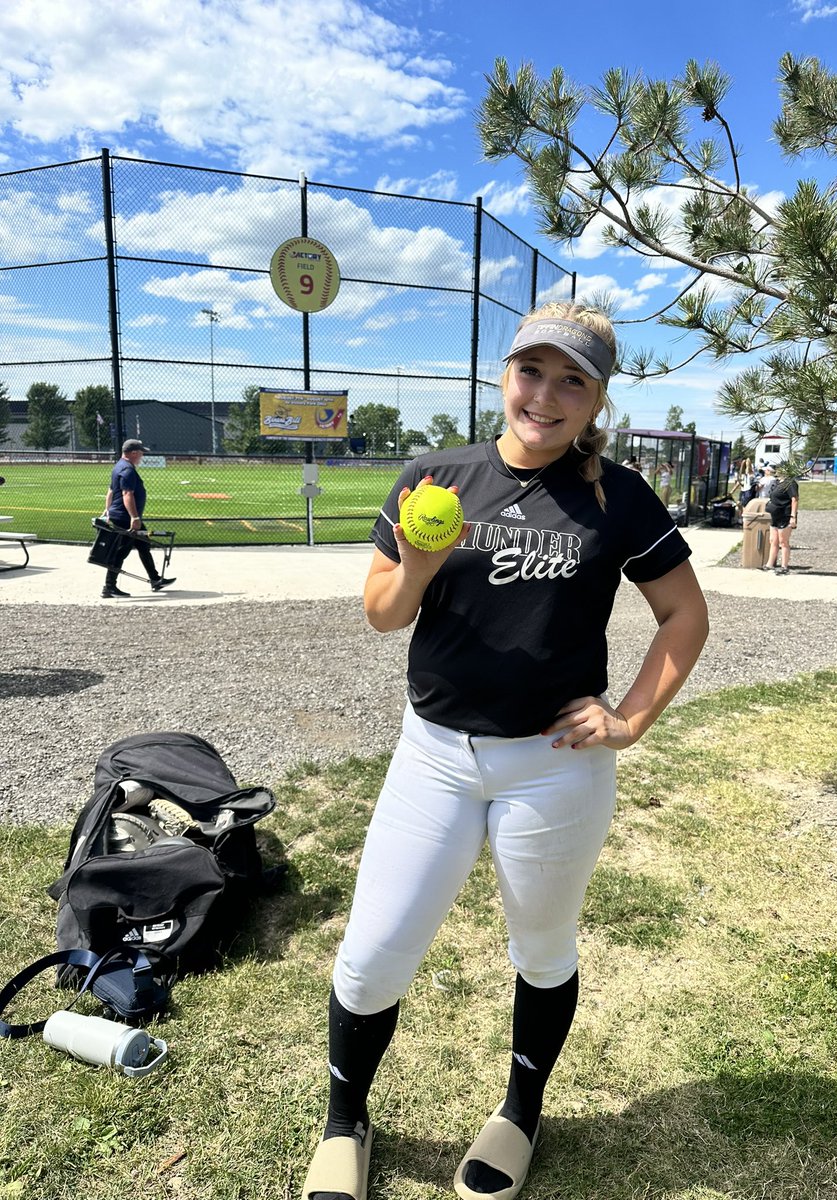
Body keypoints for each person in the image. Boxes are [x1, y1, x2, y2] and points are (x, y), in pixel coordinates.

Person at [299, 302, 709, 1200]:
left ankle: (518, 1115)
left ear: (598, 398)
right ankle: (345, 1123)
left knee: (543, 948)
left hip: (555, 766)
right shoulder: (435, 475)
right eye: (534, 370)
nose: (547, 395)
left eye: (574, 380)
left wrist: (631, 718)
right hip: (435, 756)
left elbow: (684, 615)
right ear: (504, 374)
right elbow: (382, 613)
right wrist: (413, 560)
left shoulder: (618, 495)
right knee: (373, 954)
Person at [100, 439, 176, 598]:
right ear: (133, 453)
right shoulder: (127, 470)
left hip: (122, 516)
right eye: (141, 452)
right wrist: (134, 517)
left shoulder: (119, 466)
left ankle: (155, 579)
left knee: (144, 545)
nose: (142, 455)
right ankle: (109, 587)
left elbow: (110, 491)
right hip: (125, 518)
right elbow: (127, 494)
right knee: (121, 551)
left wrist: (107, 510)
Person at [763, 468, 799, 575]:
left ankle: (784, 566)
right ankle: (770, 564)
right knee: (773, 540)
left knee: (783, 542)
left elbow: (795, 499)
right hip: (775, 515)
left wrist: (793, 516)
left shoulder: (790, 483)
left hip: (785, 515)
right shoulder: (778, 482)